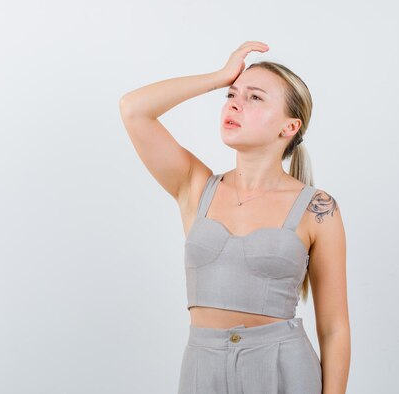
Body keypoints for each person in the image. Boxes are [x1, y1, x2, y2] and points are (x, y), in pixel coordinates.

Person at [119, 41, 350, 394]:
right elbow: (133, 109)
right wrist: (217, 77)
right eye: (231, 95)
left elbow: (334, 327)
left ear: (289, 127)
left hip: (283, 369)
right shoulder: (195, 187)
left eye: (255, 97)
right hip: (202, 370)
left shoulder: (317, 209)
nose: (235, 103)